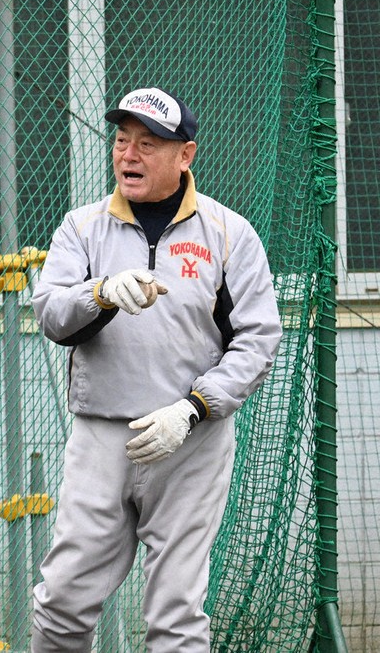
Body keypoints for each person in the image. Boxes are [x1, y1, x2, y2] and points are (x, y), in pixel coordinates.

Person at [29, 87, 283, 652]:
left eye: (148, 144)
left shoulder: (228, 233)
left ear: (185, 155)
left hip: (191, 442)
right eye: (122, 141)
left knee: (175, 617)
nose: (129, 155)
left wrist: (194, 408)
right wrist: (100, 294)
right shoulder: (82, 227)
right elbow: (49, 312)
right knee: (62, 603)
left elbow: (259, 338)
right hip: (102, 436)